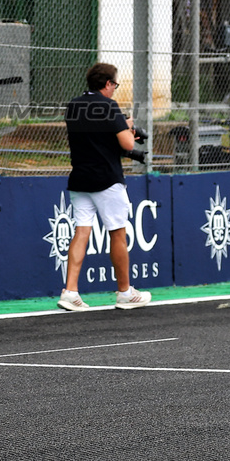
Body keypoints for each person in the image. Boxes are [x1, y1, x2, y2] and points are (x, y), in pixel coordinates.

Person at [58, 63, 152, 312]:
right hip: (107, 181)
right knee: (117, 234)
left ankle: (70, 292)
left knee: (81, 232)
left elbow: (92, 136)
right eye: (115, 85)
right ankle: (125, 293)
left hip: (79, 178)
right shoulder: (109, 107)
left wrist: (120, 124)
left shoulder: (74, 105)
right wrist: (126, 126)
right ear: (108, 84)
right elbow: (128, 144)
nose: (114, 90)